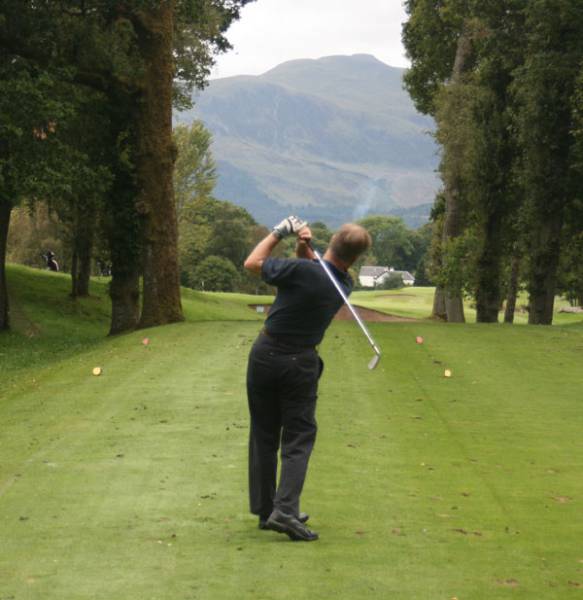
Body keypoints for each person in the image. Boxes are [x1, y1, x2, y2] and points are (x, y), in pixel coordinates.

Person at [243, 216, 372, 541]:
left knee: (264, 432)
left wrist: (279, 232)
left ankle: (268, 508)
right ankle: (283, 510)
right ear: (355, 258)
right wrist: (304, 247)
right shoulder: (343, 284)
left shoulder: (303, 272)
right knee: (298, 436)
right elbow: (317, 270)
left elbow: (252, 263)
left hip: (265, 354)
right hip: (299, 362)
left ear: (331, 243)